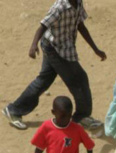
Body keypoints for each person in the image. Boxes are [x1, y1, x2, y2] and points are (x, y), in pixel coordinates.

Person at [3, 0, 106, 131]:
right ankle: (82, 117)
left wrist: (95, 49)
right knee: (79, 79)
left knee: (44, 80)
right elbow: (42, 26)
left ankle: (13, 110)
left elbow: (80, 25)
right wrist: (33, 45)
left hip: (61, 47)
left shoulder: (78, 3)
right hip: (55, 49)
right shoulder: (60, 7)